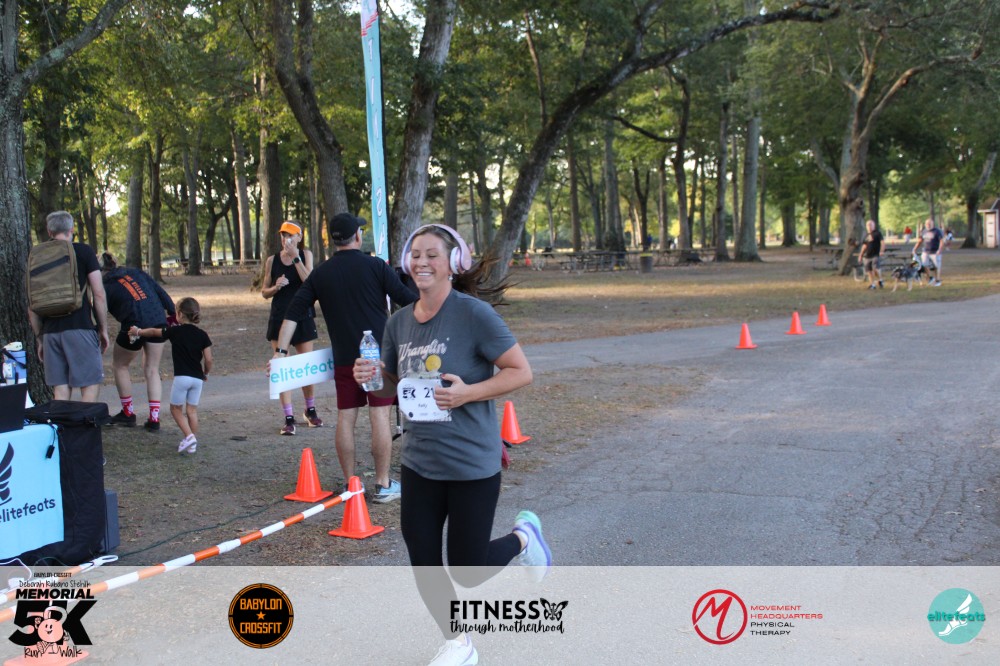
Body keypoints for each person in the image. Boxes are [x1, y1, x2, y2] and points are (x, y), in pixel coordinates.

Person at [353, 223, 551, 666]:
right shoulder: (398, 322)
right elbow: (392, 386)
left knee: (469, 570)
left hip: (471, 463)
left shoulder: (473, 315)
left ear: (452, 263)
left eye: (432, 255)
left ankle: (524, 539)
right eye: (415, 255)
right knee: (423, 559)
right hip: (420, 461)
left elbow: (521, 371)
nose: (421, 262)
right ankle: (459, 641)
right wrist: (370, 376)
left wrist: (467, 393)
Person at [274, 213, 416, 501]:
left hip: (344, 359)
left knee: (346, 416)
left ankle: (352, 484)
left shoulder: (321, 273)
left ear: (333, 240)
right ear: (358, 237)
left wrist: (280, 352)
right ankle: (383, 484)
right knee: (379, 415)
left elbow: (293, 313)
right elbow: (407, 298)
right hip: (378, 357)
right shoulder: (376, 265)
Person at [27, 211, 110, 401]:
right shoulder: (83, 251)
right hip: (80, 327)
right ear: (71, 229)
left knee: (61, 387)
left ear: (49, 232)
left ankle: (62, 421)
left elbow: (31, 305)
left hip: (50, 332)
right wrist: (103, 329)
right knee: (89, 384)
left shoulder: (37, 256)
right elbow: (98, 294)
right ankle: (85, 421)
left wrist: (40, 338)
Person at [100, 252, 175, 430]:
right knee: (152, 369)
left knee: (120, 365)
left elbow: (99, 310)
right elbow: (162, 293)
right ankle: (154, 418)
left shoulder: (104, 286)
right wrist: (172, 315)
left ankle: (128, 413)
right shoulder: (136, 272)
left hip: (134, 326)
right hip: (158, 321)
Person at [129, 298, 212, 454]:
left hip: (182, 378)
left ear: (179, 314)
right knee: (192, 411)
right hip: (197, 379)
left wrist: (138, 332)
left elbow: (153, 332)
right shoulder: (203, 335)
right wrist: (205, 373)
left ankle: (189, 437)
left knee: (175, 409)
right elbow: (208, 359)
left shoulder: (174, 331)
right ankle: (192, 443)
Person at [262, 220, 321, 435]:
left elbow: (311, 282)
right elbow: (264, 291)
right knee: (283, 367)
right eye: (283, 235)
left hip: (303, 317)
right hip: (279, 318)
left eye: (290, 235)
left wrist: (296, 257)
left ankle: (310, 410)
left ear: (299, 237)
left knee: (306, 367)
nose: (285, 239)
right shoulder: (272, 260)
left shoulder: (306, 255)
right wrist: (275, 287)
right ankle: (288, 417)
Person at [913, 218, 944, 286]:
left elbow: (941, 241)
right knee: (924, 265)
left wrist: (939, 250)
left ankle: (938, 280)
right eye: (927, 224)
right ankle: (930, 278)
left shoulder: (937, 231)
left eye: (929, 224)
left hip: (935, 252)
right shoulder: (924, 231)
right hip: (925, 251)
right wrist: (914, 249)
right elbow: (920, 241)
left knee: (936, 266)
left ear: (933, 224)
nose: (928, 225)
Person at [857, 219, 885, 290]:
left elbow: (882, 243)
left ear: (874, 226)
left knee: (875, 269)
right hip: (867, 255)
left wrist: (881, 251)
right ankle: (872, 284)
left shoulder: (877, 233)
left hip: (875, 254)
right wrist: (860, 255)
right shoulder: (866, 236)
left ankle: (880, 279)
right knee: (869, 270)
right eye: (868, 225)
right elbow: (864, 246)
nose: (869, 226)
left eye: (870, 225)